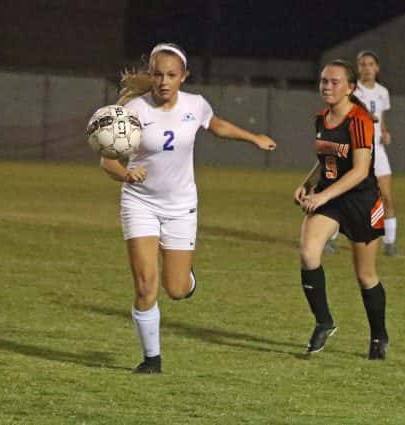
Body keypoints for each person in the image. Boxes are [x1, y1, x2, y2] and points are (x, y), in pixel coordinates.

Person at [99, 43, 276, 374]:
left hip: (181, 206)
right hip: (140, 203)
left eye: (171, 75)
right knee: (144, 285)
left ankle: (186, 279)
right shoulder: (133, 111)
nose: (163, 81)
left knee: (176, 289)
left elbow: (216, 125)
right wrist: (127, 174)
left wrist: (253, 138)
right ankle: (152, 359)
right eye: (157, 74)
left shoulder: (196, 105)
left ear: (184, 77)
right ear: (150, 74)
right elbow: (107, 161)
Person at [294, 59, 388, 360]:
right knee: (308, 253)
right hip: (331, 197)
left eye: (335, 82)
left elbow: (360, 171)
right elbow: (325, 160)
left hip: (361, 201)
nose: (327, 86)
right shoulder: (321, 118)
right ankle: (324, 321)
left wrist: (322, 197)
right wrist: (308, 184)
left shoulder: (359, 120)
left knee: (365, 275)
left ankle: (378, 336)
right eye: (324, 81)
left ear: (350, 87)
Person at [355, 50, 398, 256]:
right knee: (345, 197)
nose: (367, 68)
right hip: (358, 149)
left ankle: (390, 244)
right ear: (358, 68)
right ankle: (330, 238)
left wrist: (385, 131)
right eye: (363, 64)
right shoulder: (352, 91)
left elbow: (381, 119)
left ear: (377, 68)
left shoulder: (382, 92)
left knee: (387, 197)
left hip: (378, 152)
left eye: (370, 64)